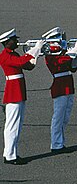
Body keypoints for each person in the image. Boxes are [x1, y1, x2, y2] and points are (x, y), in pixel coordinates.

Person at [1, 29, 43, 165]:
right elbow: (19, 62)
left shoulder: (14, 54)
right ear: (7, 42)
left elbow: (28, 66)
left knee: (17, 125)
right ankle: (9, 155)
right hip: (13, 92)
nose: (17, 42)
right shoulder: (4, 56)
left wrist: (36, 54)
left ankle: (12, 153)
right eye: (14, 40)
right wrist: (34, 50)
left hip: (19, 91)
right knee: (12, 125)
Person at [43, 28, 77, 151]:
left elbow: (73, 68)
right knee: (58, 117)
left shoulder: (63, 52)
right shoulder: (49, 54)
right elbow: (60, 62)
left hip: (69, 85)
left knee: (65, 117)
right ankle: (56, 144)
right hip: (59, 86)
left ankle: (60, 142)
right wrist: (74, 51)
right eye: (56, 38)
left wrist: (76, 57)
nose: (59, 41)